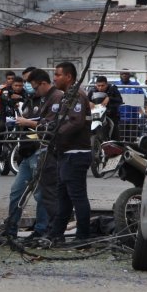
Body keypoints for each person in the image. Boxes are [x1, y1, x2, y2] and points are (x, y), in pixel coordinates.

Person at [37, 62, 93, 247]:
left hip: (76, 154)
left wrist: (56, 133)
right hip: (65, 154)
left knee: (77, 197)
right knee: (63, 199)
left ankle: (83, 238)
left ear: (68, 77)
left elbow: (75, 123)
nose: (54, 78)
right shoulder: (67, 97)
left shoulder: (76, 95)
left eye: (58, 75)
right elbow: (61, 120)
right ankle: (56, 234)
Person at [1, 71, 51, 241]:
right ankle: (11, 228)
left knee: (40, 194)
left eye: (29, 82)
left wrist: (27, 123)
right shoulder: (28, 101)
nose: (27, 85)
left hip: (39, 151)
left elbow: (49, 125)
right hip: (26, 153)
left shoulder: (48, 100)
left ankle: (41, 230)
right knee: (16, 192)